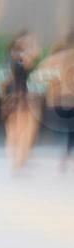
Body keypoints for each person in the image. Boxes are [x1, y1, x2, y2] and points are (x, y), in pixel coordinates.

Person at [38, 34, 74, 170]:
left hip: (58, 102)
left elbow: (41, 76)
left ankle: (66, 156)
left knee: (70, 131)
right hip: (67, 100)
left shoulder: (54, 59)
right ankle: (66, 156)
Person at [6, 32, 40, 171]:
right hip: (20, 97)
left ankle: (17, 157)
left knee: (16, 127)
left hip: (15, 96)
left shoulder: (12, 59)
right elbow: (34, 58)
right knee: (22, 127)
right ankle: (18, 158)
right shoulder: (21, 59)